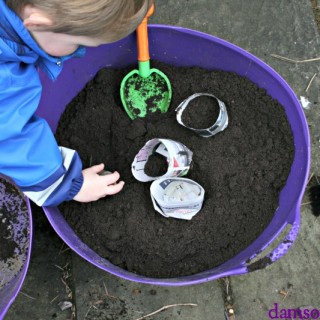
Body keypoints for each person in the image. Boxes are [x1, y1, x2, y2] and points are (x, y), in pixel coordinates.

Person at [0, 0, 152, 206]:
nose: (80, 52)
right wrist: (68, 184)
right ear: (38, 23)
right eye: (78, 44)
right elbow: (10, 142)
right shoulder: (7, 81)